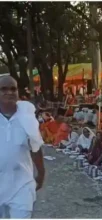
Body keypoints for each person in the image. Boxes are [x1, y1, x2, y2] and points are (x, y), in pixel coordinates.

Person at [0, 76, 45, 218]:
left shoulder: (27, 118)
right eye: (3, 89)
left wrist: (41, 173)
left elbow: (35, 147)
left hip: (21, 185)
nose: (9, 92)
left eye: (13, 89)